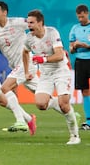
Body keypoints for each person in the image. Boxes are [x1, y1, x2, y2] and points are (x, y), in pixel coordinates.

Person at [0, 1, 37, 133]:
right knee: (42, 96)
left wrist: (40, 44)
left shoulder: (17, 22)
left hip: (27, 62)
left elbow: (36, 26)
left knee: (4, 88)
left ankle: (21, 121)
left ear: (5, 13)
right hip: (16, 66)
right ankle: (65, 108)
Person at [23, 9, 80, 145]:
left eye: (31, 22)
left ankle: (74, 136)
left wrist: (43, 59)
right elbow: (25, 52)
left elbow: (60, 55)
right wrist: (26, 71)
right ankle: (58, 102)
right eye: (28, 22)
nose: (28, 25)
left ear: (40, 22)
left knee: (64, 104)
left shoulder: (52, 32)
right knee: (41, 104)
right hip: (46, 74)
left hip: (61, 71)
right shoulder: (29, 38)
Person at [69, 4, 90, 130]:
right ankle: (89, 120)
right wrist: (74, 47)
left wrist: (84, 45)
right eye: (79, 17)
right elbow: (71, 48)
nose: (80, 19)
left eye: (82, 16)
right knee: (85, 91)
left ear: (86, 14)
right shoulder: (74, 28)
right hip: (80, 62)